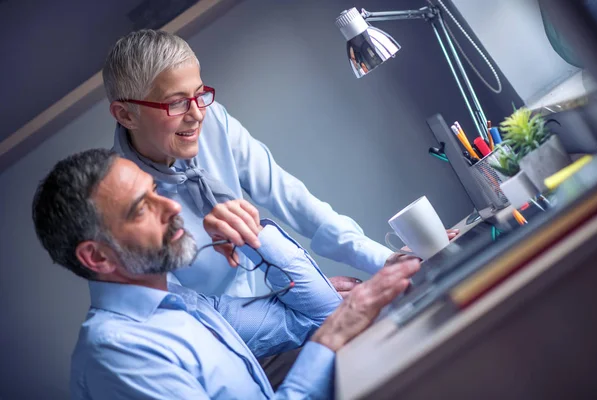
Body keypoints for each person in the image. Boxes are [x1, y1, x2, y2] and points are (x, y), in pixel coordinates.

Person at [31, 149, 421, 399]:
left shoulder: (181, 303)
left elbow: (315, 314)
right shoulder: (116, 355)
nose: (171, 207)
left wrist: (253, 234)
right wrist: (333, 336)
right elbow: (329, 325)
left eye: (155, 191)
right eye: (141, 208)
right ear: (96, 257)